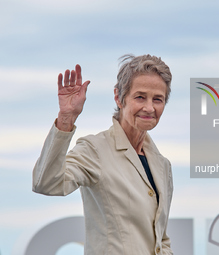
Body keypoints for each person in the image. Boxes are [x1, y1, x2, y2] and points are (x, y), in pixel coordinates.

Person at [32, 54, 174, 255]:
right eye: (140, 97)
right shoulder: (95, 149)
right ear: (119, 97)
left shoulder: (162, 165)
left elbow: (161, 239)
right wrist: (66, 118)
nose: (149, 108)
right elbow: (46, 183)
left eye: (158, 99)